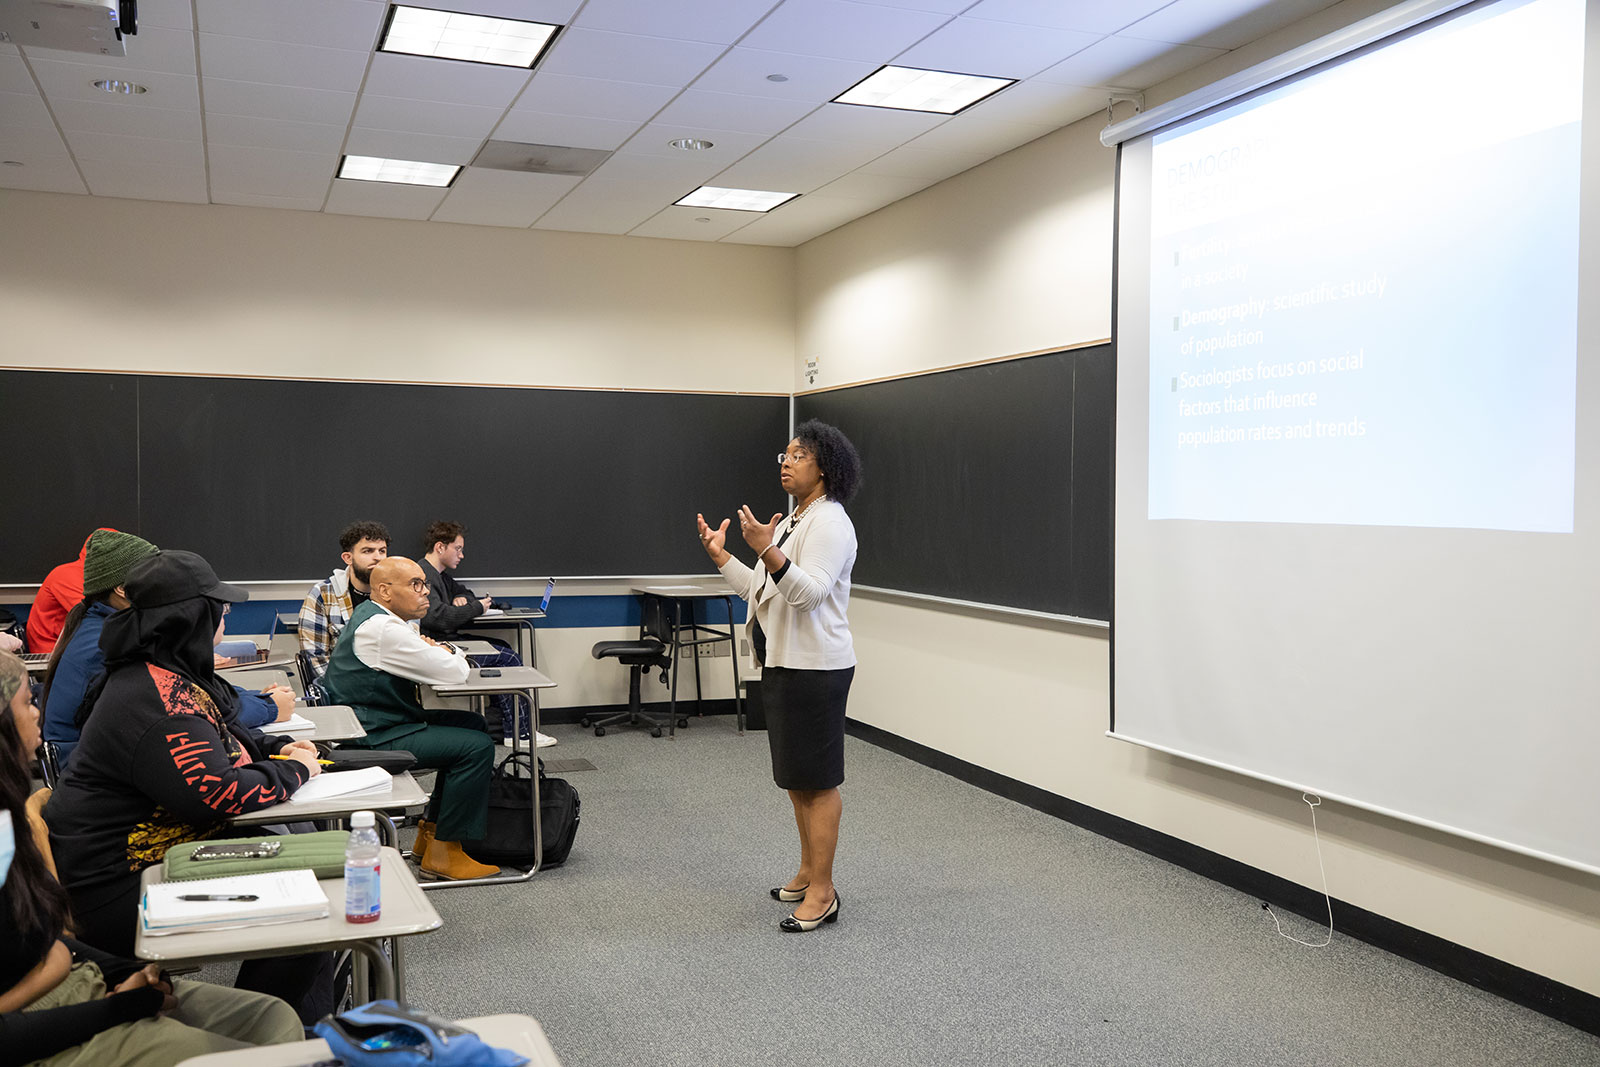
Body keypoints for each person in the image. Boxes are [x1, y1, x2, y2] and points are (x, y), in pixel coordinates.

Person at [44, 550, 331, 1022]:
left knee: (302, 867)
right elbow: (219, 795)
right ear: (191, 621)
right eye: (219, 608)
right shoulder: (157, 698)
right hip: (121, 885)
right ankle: (266, 1033)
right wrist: (297, 771)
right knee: (305, 911)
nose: (227, 615)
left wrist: (276, 751)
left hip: (152, 859)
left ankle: (301, 1029)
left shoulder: (164, 674)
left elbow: (225, 742)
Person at [0, 649, 305, 1066]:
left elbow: (52, 942)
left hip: (75, 984)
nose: (39, 713)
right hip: (44, 1028)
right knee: (265, 1055)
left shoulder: (8, 816)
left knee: (274, 1018)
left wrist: (123, 973)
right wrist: (124, 1007)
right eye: (27, 702)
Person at [696, 419, 862, 933]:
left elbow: (809, 594)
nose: (786, 462)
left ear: (824, 467)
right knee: (796, 782)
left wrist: (768, 549)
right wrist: (725, 556)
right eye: (784, 456)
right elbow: (763, 592)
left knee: (818, 782)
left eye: (798, 455)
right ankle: (809, 871)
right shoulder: (794, 521)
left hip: (818, 667)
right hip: (785, 663)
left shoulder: (830, 522)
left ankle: (825, 891)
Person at [41, 532, 292, 772]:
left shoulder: (111, 630)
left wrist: (256, 698)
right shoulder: (110, 646)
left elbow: (194, 692)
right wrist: (268, 707)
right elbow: (184, 713)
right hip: (99, 774)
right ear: (122, 590)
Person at [321, 556, 498, 881]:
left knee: (472, 724)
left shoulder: (377, 617)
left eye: (424, 584)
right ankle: (445, 851)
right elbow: (455, 673)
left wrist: (438, 651)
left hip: (374, 723)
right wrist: (449, 650)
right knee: (477, 746)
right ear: (385, 591)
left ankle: (428, 836)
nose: (425, 592)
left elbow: (433, 661)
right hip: (372, 736)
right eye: (415, 585)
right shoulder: (384, 629)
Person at [418, 520, 555, 749]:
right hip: (439, 644)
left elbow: (465, 592)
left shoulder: (440, 576)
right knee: (507, 658)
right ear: (440, 547)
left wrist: (459, 599)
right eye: (458, 549)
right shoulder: (425, 574)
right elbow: (437, 618)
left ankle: (509, 725)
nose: (461, 555)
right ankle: (519, 733)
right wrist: (476, 608)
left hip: (447, 640)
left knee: (503, 648)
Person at [298, 520, 389, 682]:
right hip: (344, 689)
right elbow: (315, 658)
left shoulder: (398, 592)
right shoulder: (323, 594)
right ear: (348, 558)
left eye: (382, 551)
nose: (378, 558)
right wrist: (346, 690)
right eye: (368, 551)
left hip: (389, 686)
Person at [26, 530, 112, 654]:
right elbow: (95, 613)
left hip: (75, 646)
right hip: (51, 654)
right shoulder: (66, 575)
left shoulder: (97, 576)